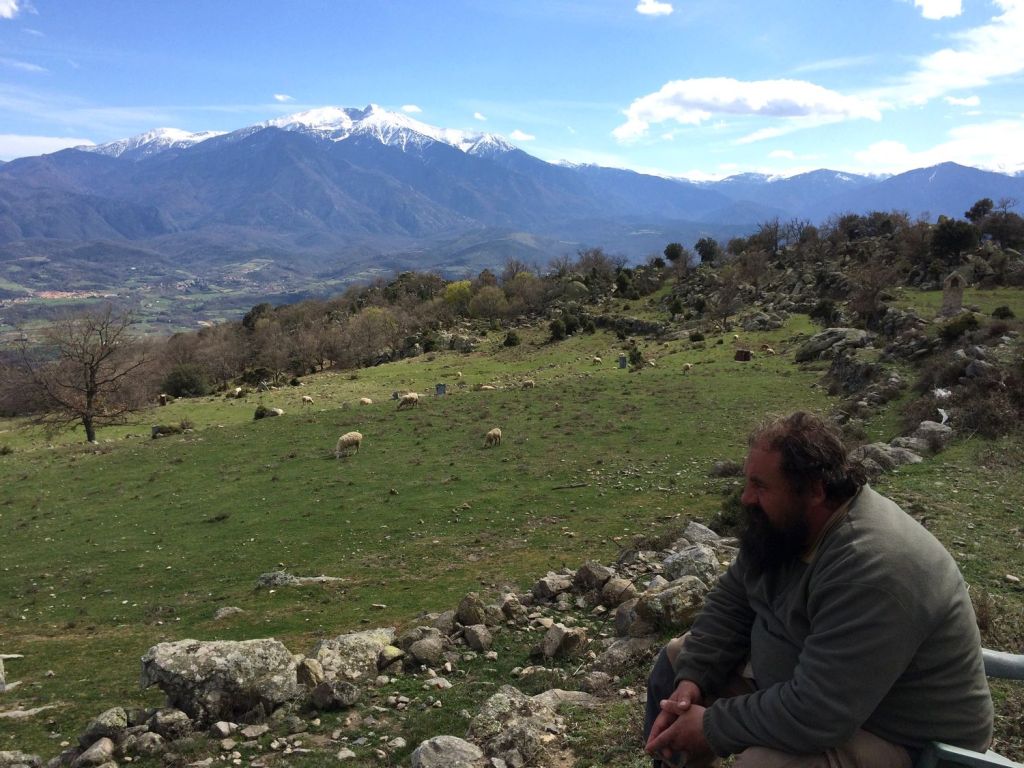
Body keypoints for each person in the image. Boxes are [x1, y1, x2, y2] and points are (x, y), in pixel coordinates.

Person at [644, 411, 993, 767]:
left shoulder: (869, 567)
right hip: (809, 690)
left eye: (761, 486)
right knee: (675, 665)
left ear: (814, 490)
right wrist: (692, 681)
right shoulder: (785, 528)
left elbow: (819, 711)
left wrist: (712, 726)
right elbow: (732, 603)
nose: (746, 498)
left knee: (763, 764)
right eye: (748, 482)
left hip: (905, 738)